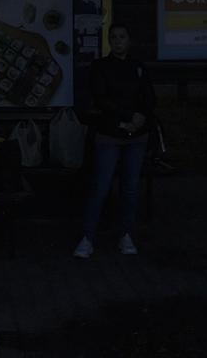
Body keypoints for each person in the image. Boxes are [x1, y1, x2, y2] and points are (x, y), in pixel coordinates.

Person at [73, 23, 157, 258]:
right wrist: (131, 117)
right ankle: (89, 236)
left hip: (131, 134)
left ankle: (124, 234)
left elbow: (148, 97)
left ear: (129, 40)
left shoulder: (138, 66)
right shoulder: (101, 67)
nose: (118, 41)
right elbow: (100, 98)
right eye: (114, 37)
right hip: (112, 133)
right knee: (102, 186)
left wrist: (138, 118)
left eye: (122, 36)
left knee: (129, 188)